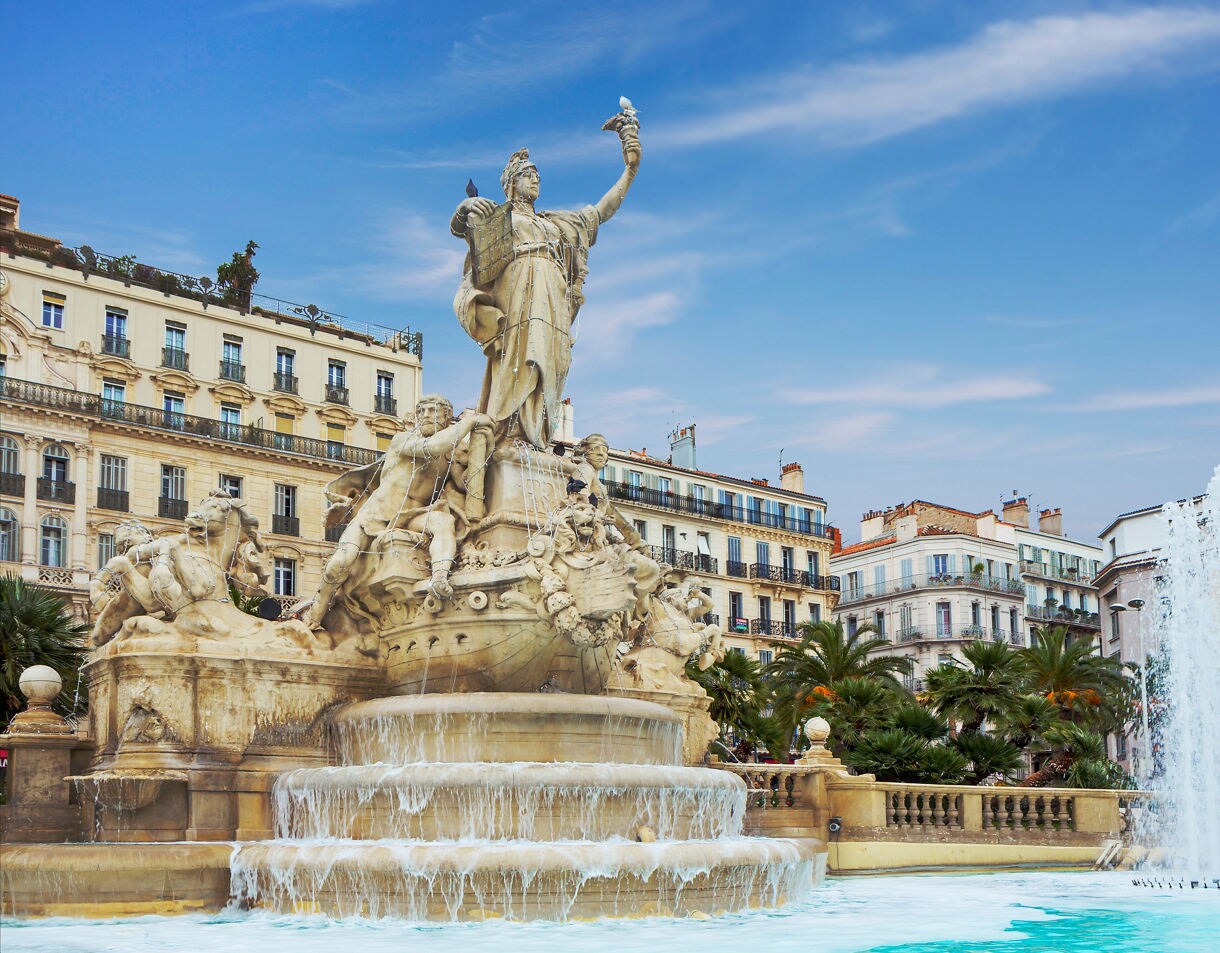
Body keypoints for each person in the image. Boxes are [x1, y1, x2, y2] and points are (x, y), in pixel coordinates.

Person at [450, 123, 641, 449]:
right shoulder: (502, 218)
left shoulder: (557, 223)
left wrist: (630, 169)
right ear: (511, 184)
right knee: (525, 355)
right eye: (528, 174)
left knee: (554, 363)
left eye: (537, 174)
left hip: (553, 292)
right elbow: (462, 231)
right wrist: (464, 209)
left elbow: (601, 212)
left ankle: (537, 436)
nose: (536, 179)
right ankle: (510, 433)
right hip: (521, 287)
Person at [297, 394, 493, 628]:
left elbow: (465, 484)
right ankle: (316, 614)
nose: (427, 416)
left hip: (412, 516)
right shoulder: (403, 440)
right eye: (423, 411)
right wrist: (469, 423)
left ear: (446, 417)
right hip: (375, 515)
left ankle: (440, 577)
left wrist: (485, 444)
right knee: (340, 562)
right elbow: (432, 447)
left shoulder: (448, 459)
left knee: (443, 522)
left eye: (434, 411)